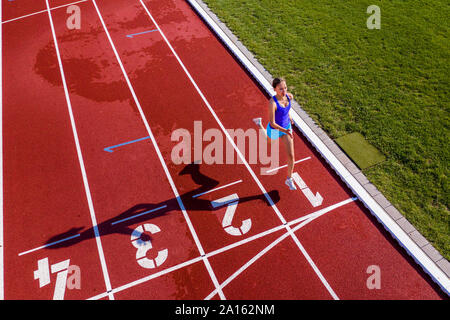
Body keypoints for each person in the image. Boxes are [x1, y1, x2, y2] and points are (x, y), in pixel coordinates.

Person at [253, 78, 297, 190]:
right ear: (275, 89)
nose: (284, 91)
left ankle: (289, 179)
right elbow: (272, 122)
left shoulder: (289, 96)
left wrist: (290, 118)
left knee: (291, 156)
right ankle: (259, 125)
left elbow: (287, 111)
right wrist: (285, 131)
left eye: (285, 88)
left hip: (286, 128)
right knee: (268, 142)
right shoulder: (272, 103)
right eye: (281, 89)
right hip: (275, 129)